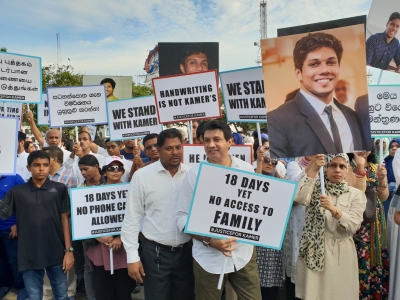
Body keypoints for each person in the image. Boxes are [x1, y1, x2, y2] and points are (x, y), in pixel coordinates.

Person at [176, 120, 262, 300]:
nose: (211, 145)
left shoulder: (246, 169)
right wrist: (208, 240)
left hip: (243, 254)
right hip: (208, 259)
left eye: (217, 139)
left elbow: (257, 209)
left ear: (230, 142)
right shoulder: (194, 175)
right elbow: (182, 218)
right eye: (206, 140)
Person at [267, 32, 369, 158]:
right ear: (299, 73)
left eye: (331, 62)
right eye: (314, 64)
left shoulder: (352, 116)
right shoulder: (276, 120)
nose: (324, 70)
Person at [122, 128, 194, 300]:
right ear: (159, 150)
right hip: (155, 254)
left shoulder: (193, 175)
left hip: (188, 252)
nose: (175, 152)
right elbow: (132, 218)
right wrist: (132, 257)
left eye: (178, 147)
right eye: (169, 148)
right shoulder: (142, 176)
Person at [0, 150, 74, 300]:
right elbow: (3, 213)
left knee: (61, 294)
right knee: (34, 297)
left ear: (50, 166)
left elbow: (64, 220)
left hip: (56, 251)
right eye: (37, 165)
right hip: (28, 253)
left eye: (45, 165)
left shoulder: (59, 189)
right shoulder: (17, 191)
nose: (41, 169)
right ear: (28, 168)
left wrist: (69, 250)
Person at [294, 153, 366, 299]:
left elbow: (354, 225)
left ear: (347, 170)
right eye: (332, 165)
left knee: (340, 294)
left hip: (341, 252)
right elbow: (298, 197)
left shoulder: (356, 194)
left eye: (342, 166)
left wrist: (334, 210)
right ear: (326, 168)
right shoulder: (315, 189)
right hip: (314, 249)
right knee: (314, 294)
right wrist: (313, 168)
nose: (337, 170)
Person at [86, 156, 135, 300]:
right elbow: (85, 220)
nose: (115, 171)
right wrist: (96, 236)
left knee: (124, 292)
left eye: (119, 168)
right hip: (100, 251)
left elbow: (136, 218)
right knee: (103, 292)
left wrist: (121, 237)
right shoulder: (92, 192)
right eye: (111, 168)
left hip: (124, 250)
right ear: (104, 172)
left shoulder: (131, 190)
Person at [41, 146, 78, 300]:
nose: (41, 164)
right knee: (45, 259)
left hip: (64, 226)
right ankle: (47, 293)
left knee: (67, 259)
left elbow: (71, 205)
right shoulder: (42, 177)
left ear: (54, 159)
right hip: (43, 227)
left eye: (45, 159)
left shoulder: (69, 177)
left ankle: (69, 292)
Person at [352, 150, 389, 299]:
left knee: (375, 256)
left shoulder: (376, 167)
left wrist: (382, 180)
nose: (363, 150)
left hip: (376, 223)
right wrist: (359, 166)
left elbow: (383, 197)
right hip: (358, 222)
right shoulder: (346, 167)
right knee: (359, 257)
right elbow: (353, 192)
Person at [254, 146, 285, 300]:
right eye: (266, 159)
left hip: (273, 237)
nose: (269, 163)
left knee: (272, 278)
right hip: (256, 235)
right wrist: (259, 162)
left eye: (273, 161)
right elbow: (255, 185)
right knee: (255, 280)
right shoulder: (253, 175)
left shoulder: (280, 181)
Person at [77, 155, 104, 300]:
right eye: (81, 170)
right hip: (89, 237)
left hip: (111, 236)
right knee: (89, 267)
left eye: (85, 169)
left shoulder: (109, 182)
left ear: (96, 167)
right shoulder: (79, 189)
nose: (83, 173)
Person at [0, 174, 28, 300]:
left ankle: (22, 287)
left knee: (14, 259)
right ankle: (4, 285)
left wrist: (17, 222)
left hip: (10, 227)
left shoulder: (14, 177)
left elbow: (25, 200)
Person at [385, 139, 400, 217]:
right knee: (389, 216)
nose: (394, 148)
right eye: (391, 147)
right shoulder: (384, 162)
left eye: (397, 146)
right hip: (388, 194)